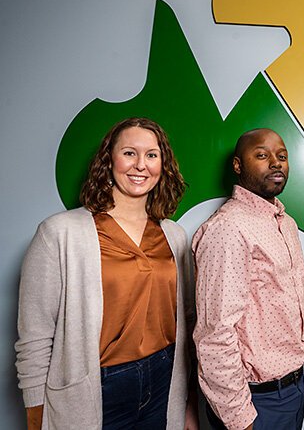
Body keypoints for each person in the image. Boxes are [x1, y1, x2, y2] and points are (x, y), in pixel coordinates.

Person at [15, 117, 197, 429]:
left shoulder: (175, 235)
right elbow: (34, 335)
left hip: (164, 378)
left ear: (162, 165)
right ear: (108, 160)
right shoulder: (60, 233)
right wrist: (36, 416)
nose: (141, 165)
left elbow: (189, 320)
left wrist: (189, 403)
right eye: (129, 153)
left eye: (152, 155)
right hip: (99, 387)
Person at [192, 128, 304, 430]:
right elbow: (215, 333)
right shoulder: (228, 228)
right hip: (255, 402)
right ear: (237, 165)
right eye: (262, 155)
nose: (276, 163)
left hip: (293, 390)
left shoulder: (286, 223)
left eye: (282, 156)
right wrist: (239, 418)